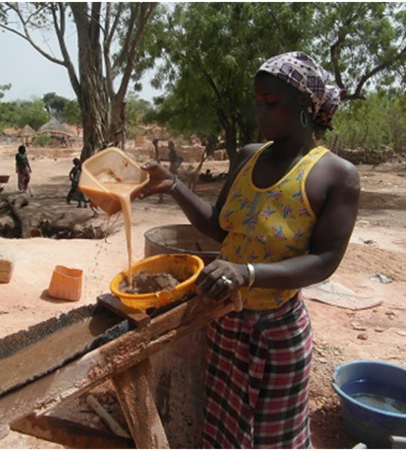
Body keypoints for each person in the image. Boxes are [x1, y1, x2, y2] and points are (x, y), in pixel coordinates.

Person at [139, 51, 360, 448]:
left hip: (278, 331)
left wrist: (248, 273)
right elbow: (220, 229)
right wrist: (173, 185)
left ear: (307, 104)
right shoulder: (247, 157)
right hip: (227, 322)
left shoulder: (334, 175)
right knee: (226, 431)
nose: (261, 112)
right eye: (257, 102)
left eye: (271, 103)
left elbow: (325, 261)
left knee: (275, 438)